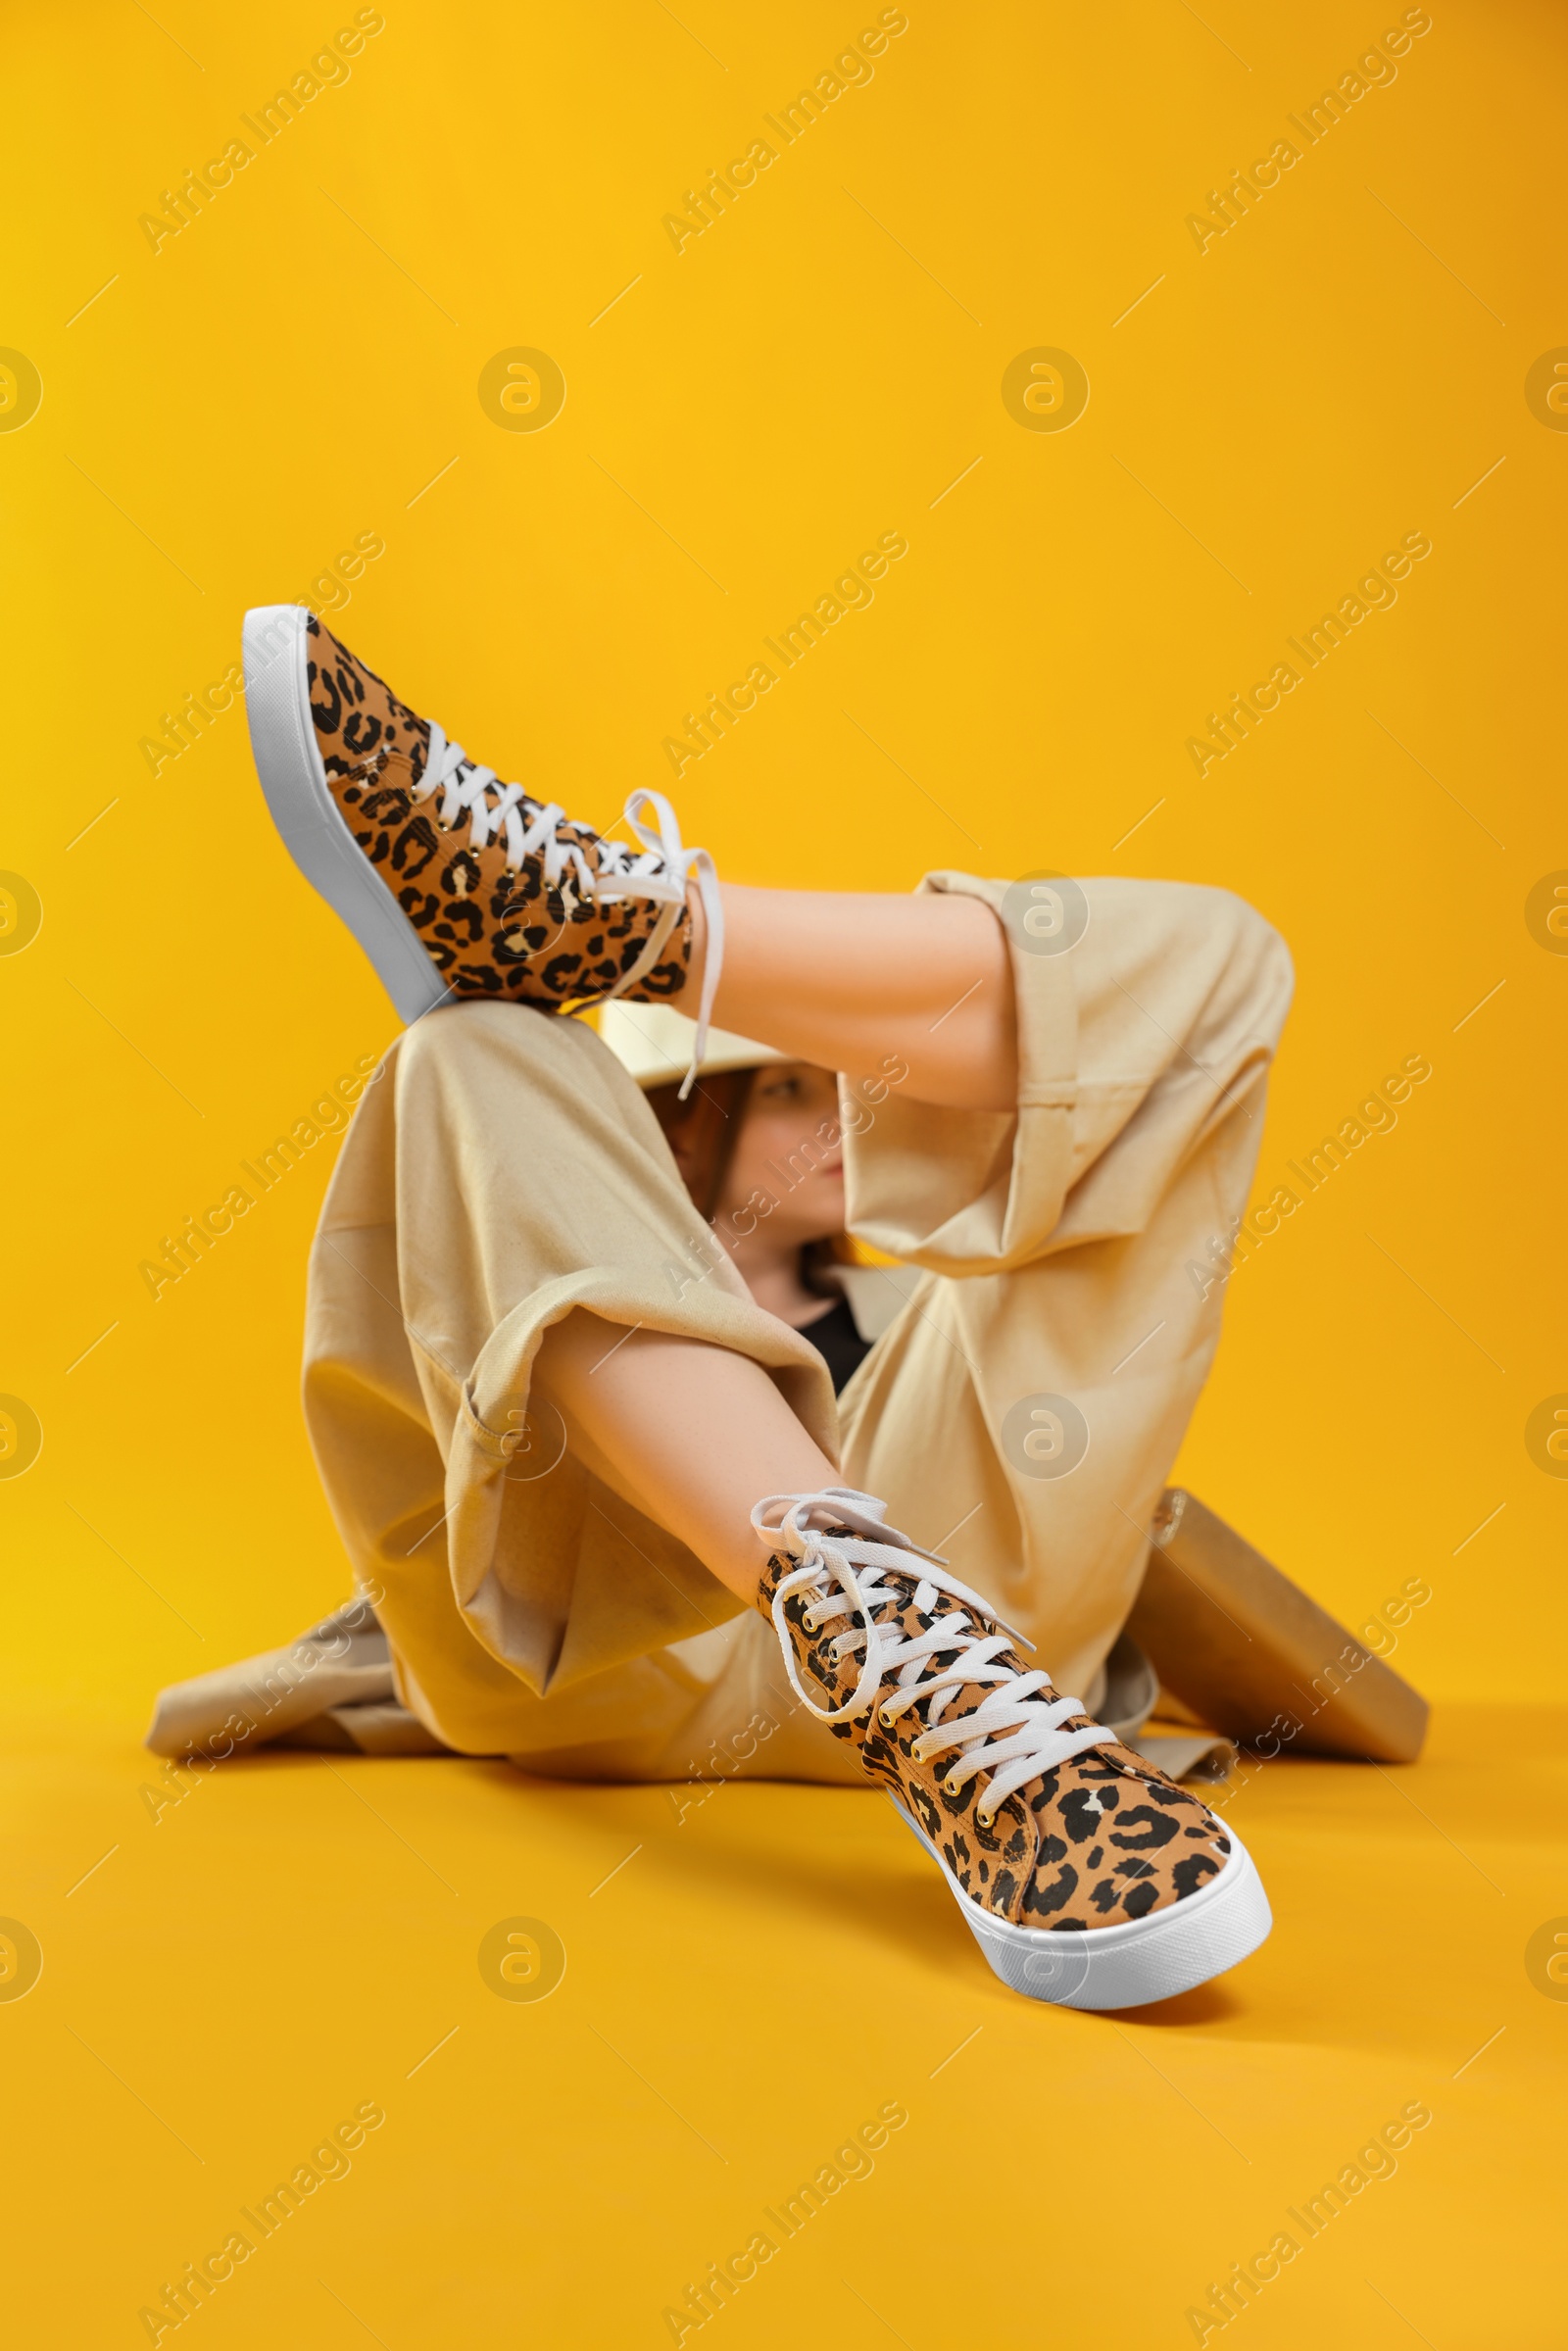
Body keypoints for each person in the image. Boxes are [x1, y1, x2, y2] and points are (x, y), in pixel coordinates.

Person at [193, 604, 1296, 2009]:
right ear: (685, 1117)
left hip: (998, 1669)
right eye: (781, 1086)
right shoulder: (537, 1202)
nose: (833, 1109)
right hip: (607, 1647)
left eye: (837, 1077)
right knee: (462, 1050)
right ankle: (858, 1611)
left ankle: (611, 918)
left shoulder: (947, 1341)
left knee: (1222, 959)